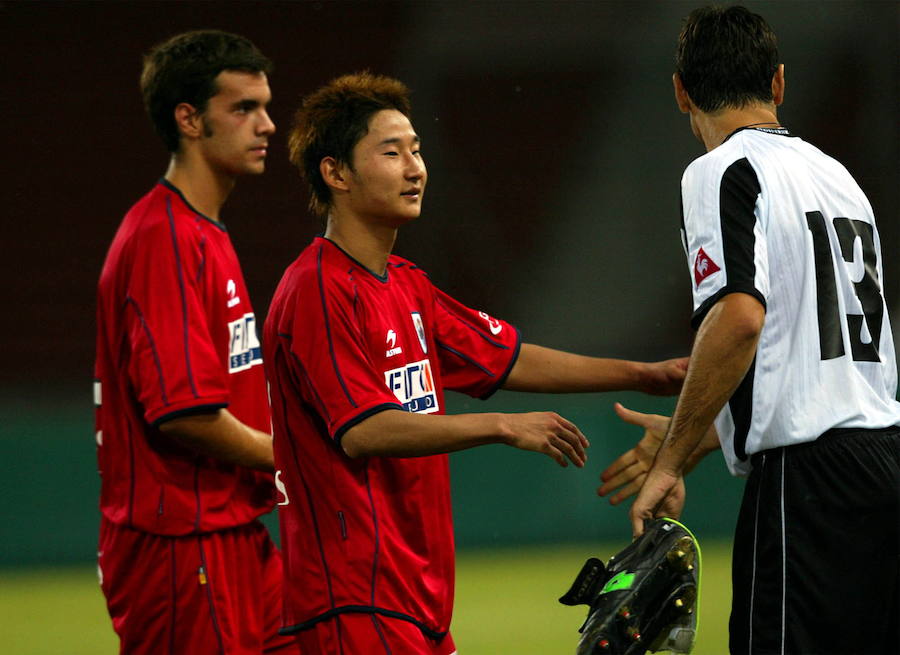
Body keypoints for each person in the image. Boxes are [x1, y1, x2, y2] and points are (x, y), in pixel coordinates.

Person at [262, 71, 689, 655]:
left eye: (416, 150)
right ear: (335, 172)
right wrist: (502, 424)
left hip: (413, 597)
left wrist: (647, 375)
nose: (415, 168)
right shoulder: (317, 289)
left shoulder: (406, 285)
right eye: (391, 152)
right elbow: (362, 430)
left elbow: (508, 358)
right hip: (353, 596)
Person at [600, 6, 900, 654]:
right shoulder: (839, 178)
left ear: (681, 90)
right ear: (780, 83)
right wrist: (705, 430)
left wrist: (670, 460)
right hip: (884, 468)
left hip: (808, 489)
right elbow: (817, 363)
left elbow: (738, 317)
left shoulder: (719, 170)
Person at [94, 30, 297, 655]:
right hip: (184, 541)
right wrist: (297, 458)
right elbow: (184, 413)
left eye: (265, 106)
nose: (267, 125)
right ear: (189, 118)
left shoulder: (201, 230)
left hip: (228, 527)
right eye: (243, 109)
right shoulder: (166, 239)